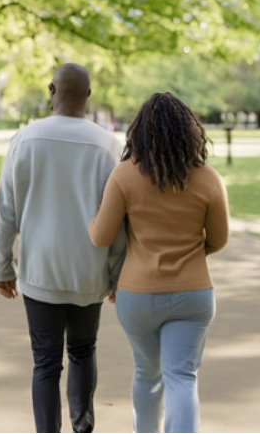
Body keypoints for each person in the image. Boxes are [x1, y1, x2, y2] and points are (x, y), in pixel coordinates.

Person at [0, 63, 126, 433]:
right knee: (83, 353)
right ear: (88, 95)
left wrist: (3, 267)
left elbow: (7, 211)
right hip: (89, 270)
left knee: (45, 362)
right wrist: (116, 273)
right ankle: (83, 428)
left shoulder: (24, 139)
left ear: (51, 89)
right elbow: (118, 221)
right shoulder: (108, 145)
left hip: (40, 270)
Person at [88, 92, 229, 433]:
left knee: (146, 375)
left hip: (137, 296)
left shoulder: (124, 175)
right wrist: (191, 253)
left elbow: (101, 237)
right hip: (193, 294)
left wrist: (88, 221)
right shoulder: (209, 178)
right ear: (189, 131)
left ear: (140, 132)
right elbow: (219, 239)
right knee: (181, 376)